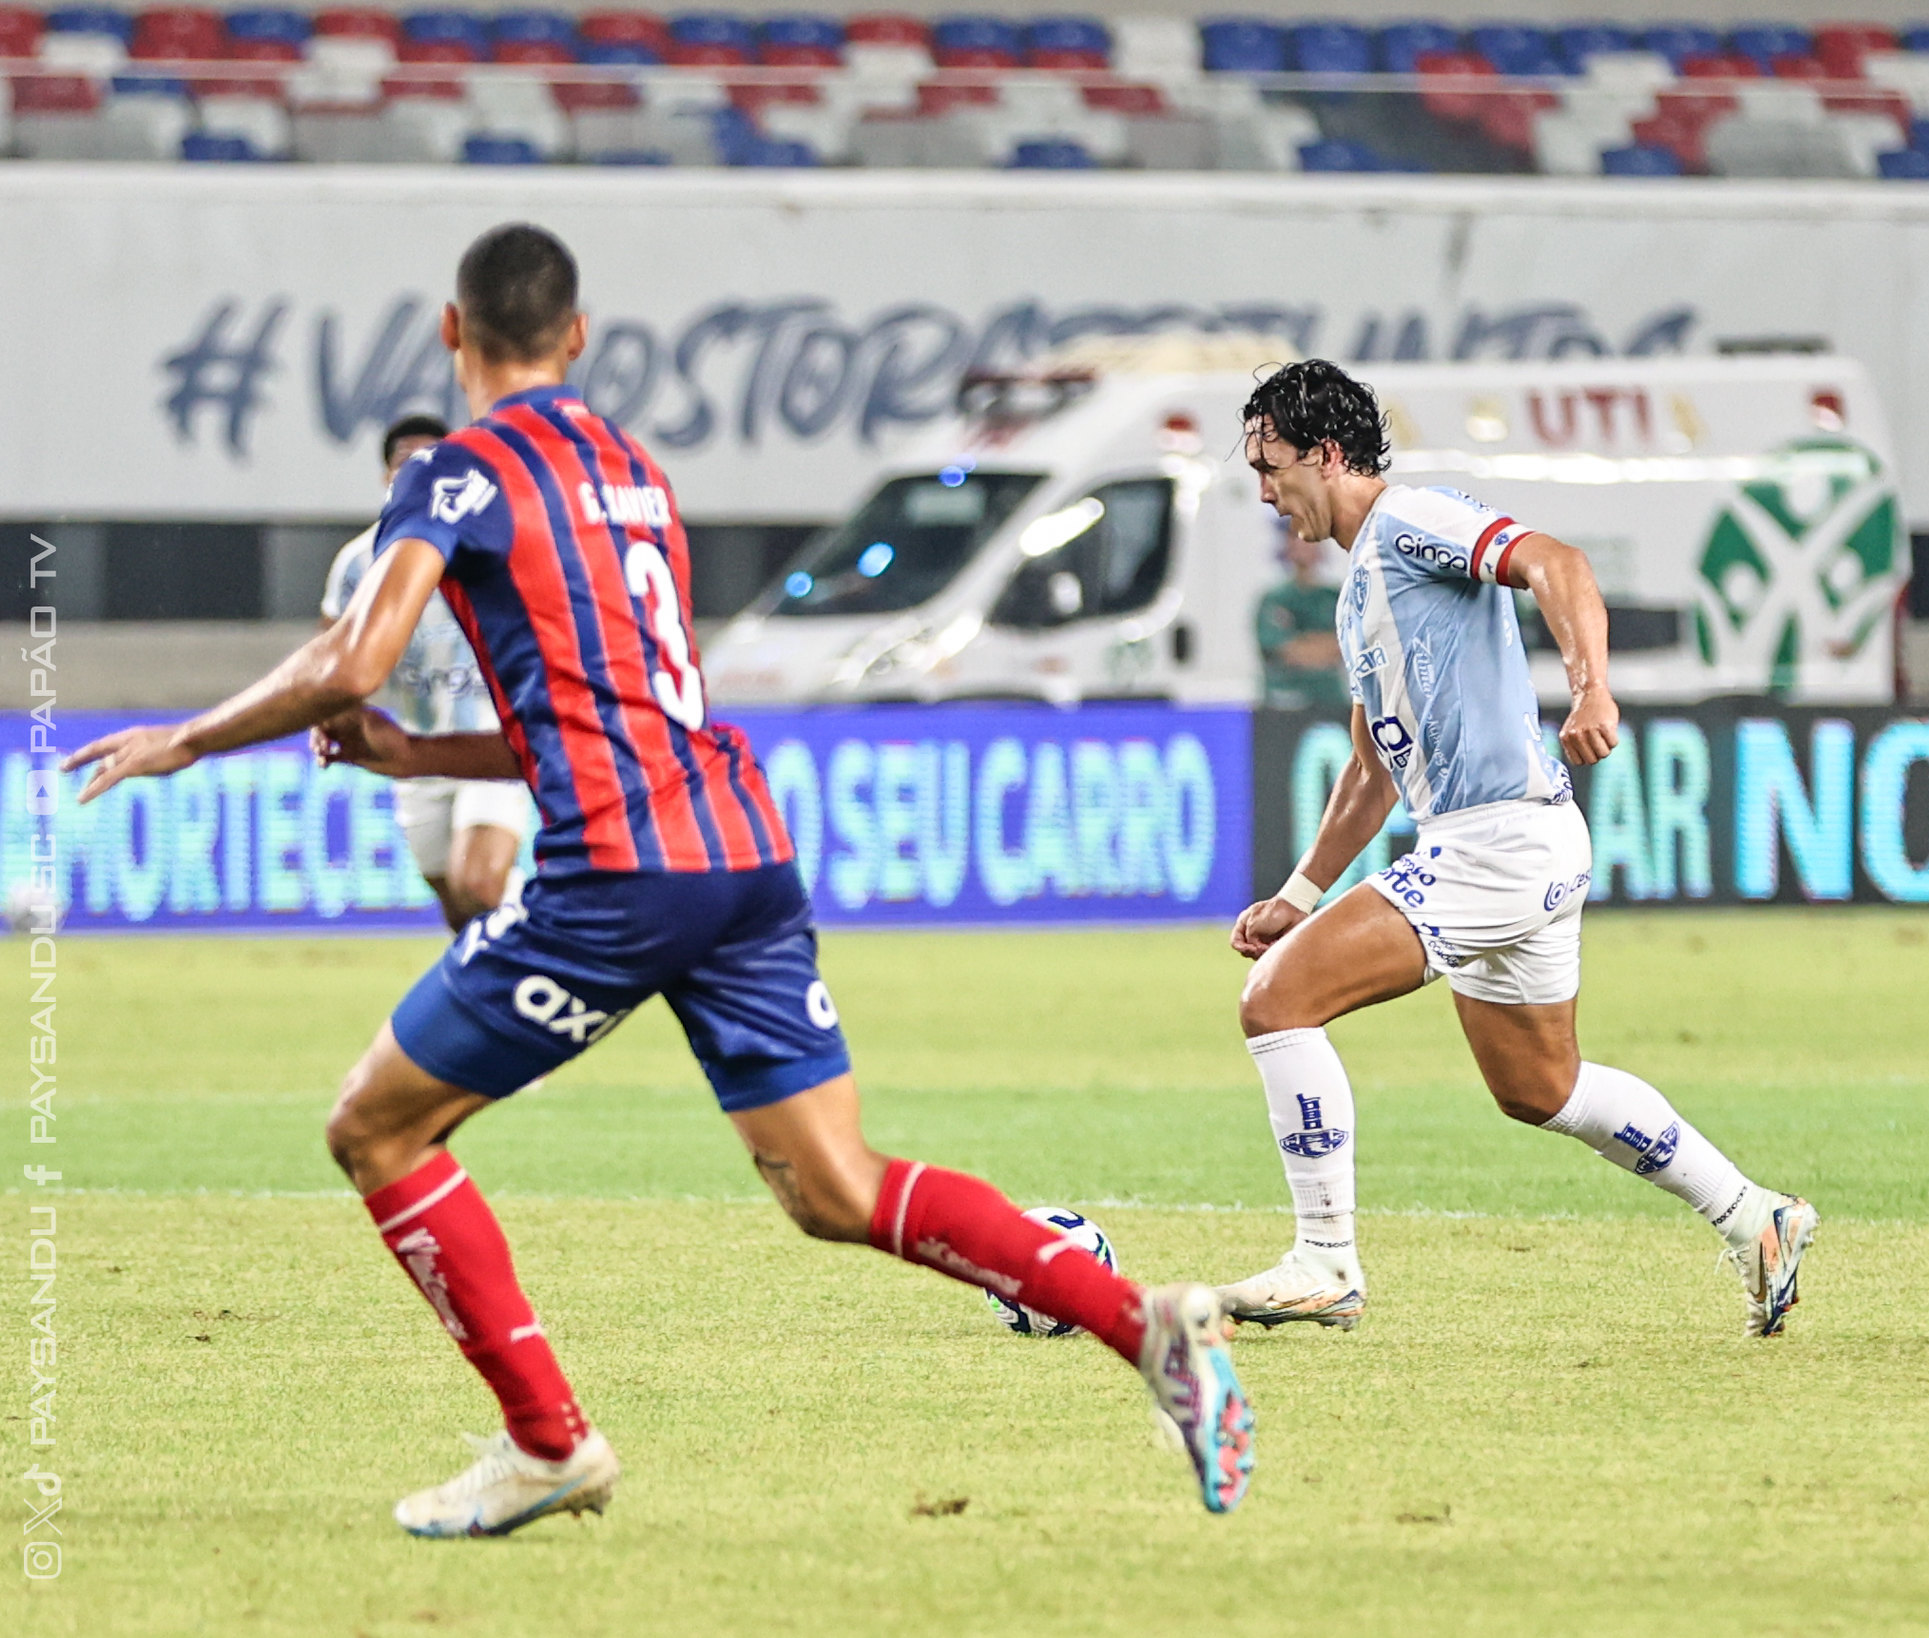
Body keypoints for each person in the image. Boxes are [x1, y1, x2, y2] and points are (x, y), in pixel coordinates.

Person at [65, 223, 1254, 1536]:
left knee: (376, 1128)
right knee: (835, 1187)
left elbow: (354, 658)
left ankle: (548, 1441)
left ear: (452, 334)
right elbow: (620, 707)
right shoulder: (634, 474)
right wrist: (420, 754)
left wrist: (188, 737)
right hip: (739, 848)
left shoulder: (455, 474)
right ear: (577, 337)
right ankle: (1143, 1325)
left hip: (618, 874)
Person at [1216, 359, 1816, 1339]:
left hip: (1496, 842)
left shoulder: (1410, 520)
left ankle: (1324, 1259)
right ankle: (1755, 1217)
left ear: (1325, 454)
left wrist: (1591, 688)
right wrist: (1299, 893)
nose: (1263, 491)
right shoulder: (1357, 591)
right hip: (1513, 843)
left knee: (1276, 1002)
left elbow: (1558, 564)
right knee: (1541, 1088)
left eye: (1267, 465)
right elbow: (1371, 770)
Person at [321, 413, 536, 932]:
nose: (419, 471)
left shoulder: (488, 545)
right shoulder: (358, 562)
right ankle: (510, 964)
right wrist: (331, 714)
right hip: (415, 746)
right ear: (387, 477)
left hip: (488, 737)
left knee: (478, 883)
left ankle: (549, 927)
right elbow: (332, 651)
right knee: (459, 909)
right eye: (405, 463)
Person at [1256, 524, 1348, 710]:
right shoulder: (1274, 599)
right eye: (1296, 540)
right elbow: (1282, 649)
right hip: (1285, 701)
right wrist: (1319, 646)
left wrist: (1306, 643)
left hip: (1331, 700)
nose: (1304, 546)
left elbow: (1344, 646)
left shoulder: (1334, 597)